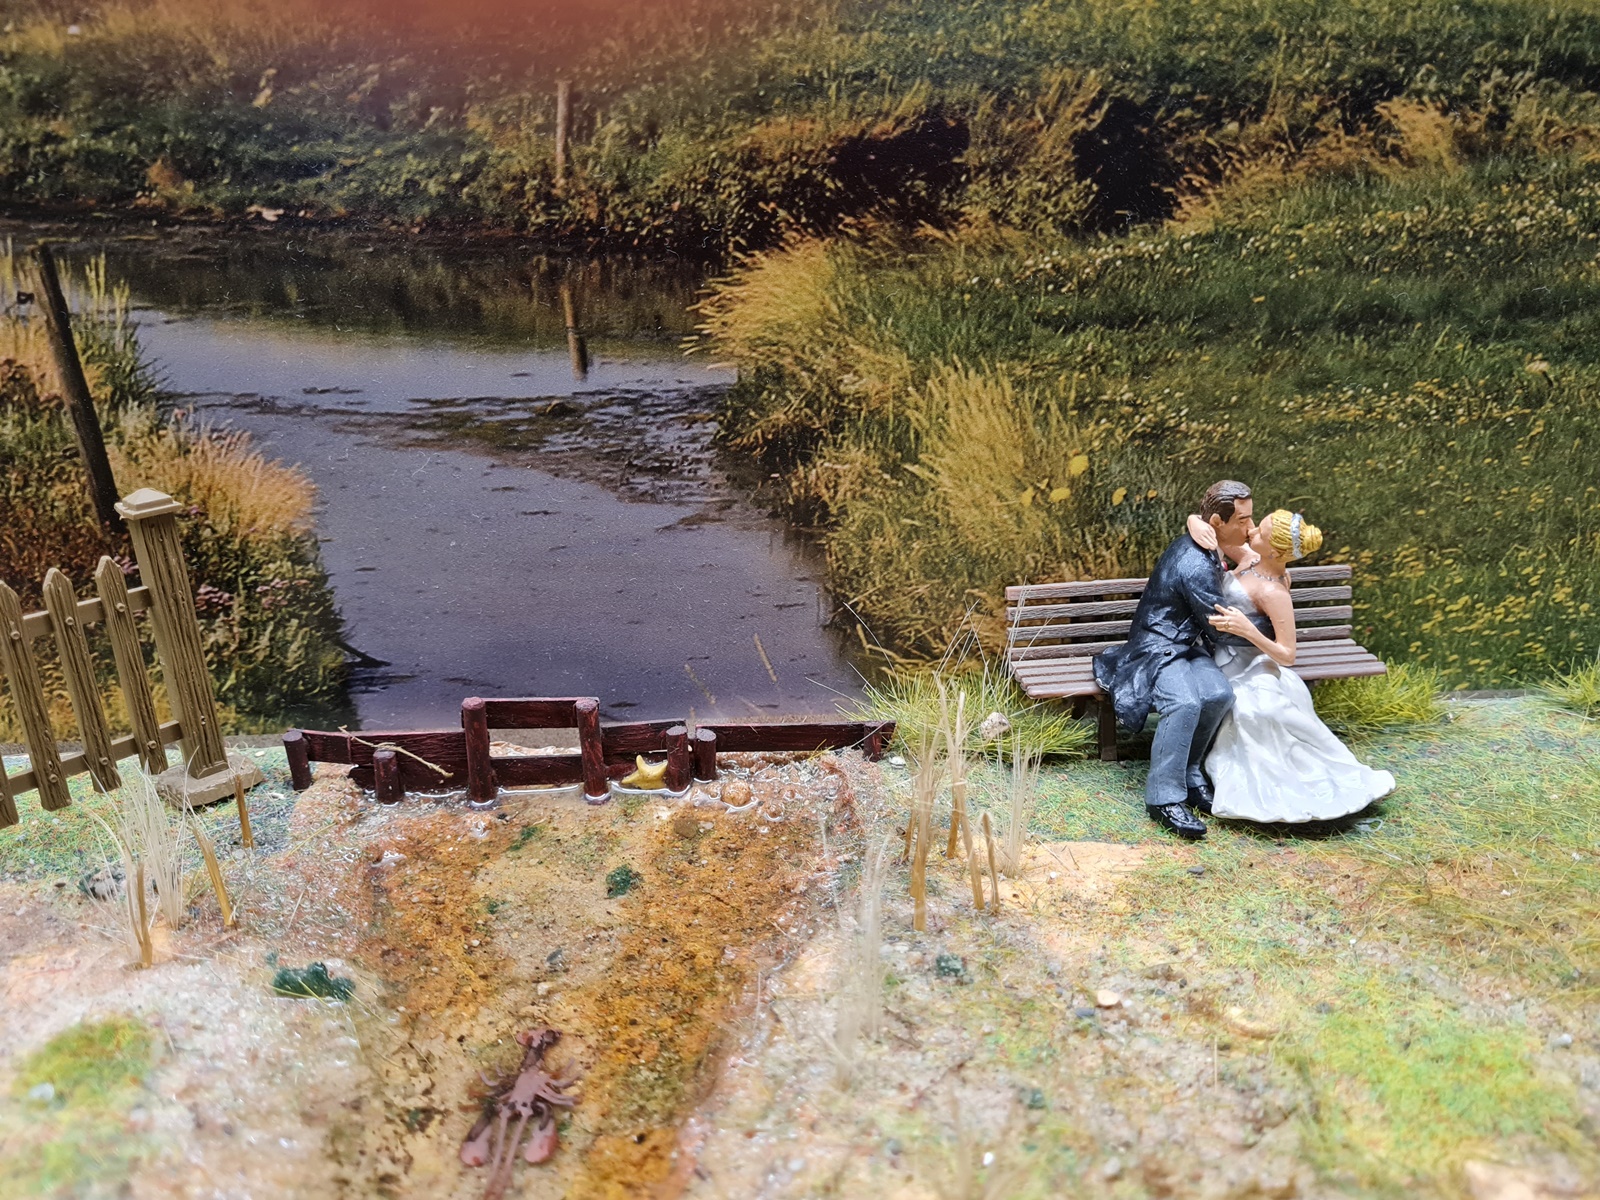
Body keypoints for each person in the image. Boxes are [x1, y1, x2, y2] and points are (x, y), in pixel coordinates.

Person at [1198, 509, 1396, 822]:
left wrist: (1248, 630)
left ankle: (1280, 783)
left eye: (1260, 532)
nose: (1252, 531)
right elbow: (1220, 538)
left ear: (1275, 552)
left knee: (1256, 711)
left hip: (1247, 661)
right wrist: (1194, 521)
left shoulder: (1273, 592)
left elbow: (1288, 654)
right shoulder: (1250, 558)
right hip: (1220, 651)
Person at [1093, 480, 1255, 839]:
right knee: (1184, 702)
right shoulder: (1194, 562)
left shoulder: (1209, 542)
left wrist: (1195, 520)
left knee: (1218, 694)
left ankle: (1190, 773)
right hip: (1157, 648)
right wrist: (1269, 631)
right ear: (1218, 522)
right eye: (1243, 520)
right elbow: (1219, 627)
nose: (1250, 528)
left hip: (1186, 644)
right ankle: (1163, 798)